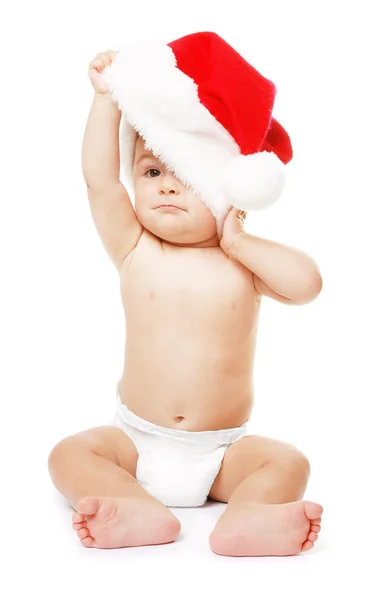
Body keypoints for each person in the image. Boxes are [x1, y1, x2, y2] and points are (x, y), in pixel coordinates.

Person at [47, 32, 323, 556]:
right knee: (69, 453)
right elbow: (99, 181)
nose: (167, 186)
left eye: (189, 176)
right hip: (134, 440)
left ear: (234, 187)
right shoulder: (134, 247)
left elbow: (307, 285)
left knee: (288, 462)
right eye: (152, 171)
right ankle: (134, 508)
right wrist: (106, 99)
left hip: (220, 452)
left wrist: (240, 240)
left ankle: (246, 521)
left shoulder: (243, 264)